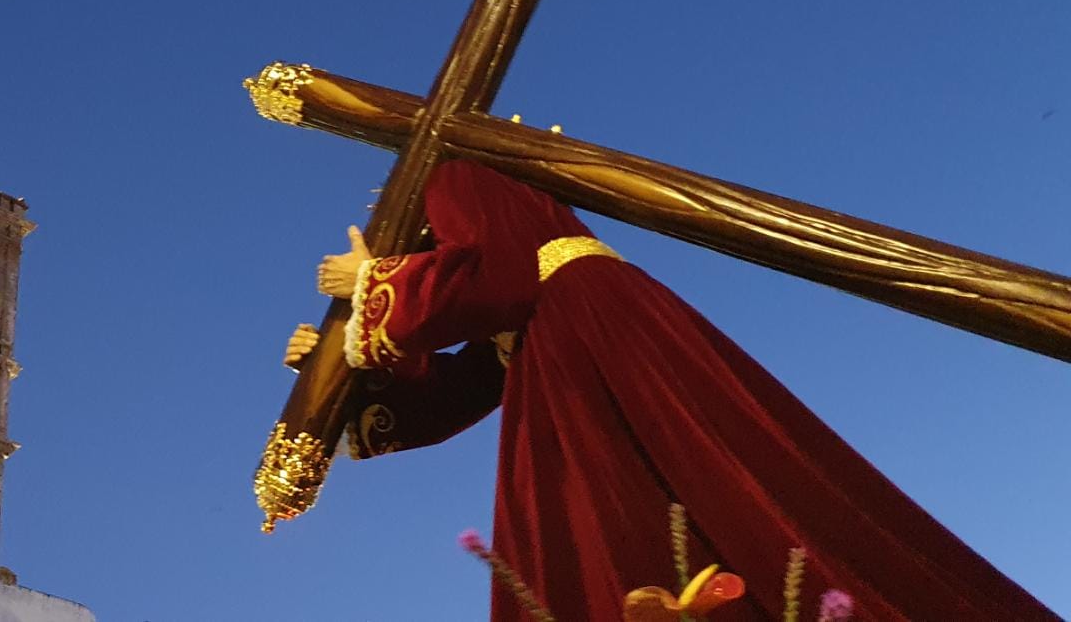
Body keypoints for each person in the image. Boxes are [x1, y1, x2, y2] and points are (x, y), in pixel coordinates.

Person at [285, 160, 1051, 621]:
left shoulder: (460, 176)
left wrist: (376, 283)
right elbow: (472, 379)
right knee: (657, 514)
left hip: (594, 332)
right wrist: (351, 370)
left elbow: (501, 272)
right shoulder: (503, 308)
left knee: (718, 493)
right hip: (566, 361)